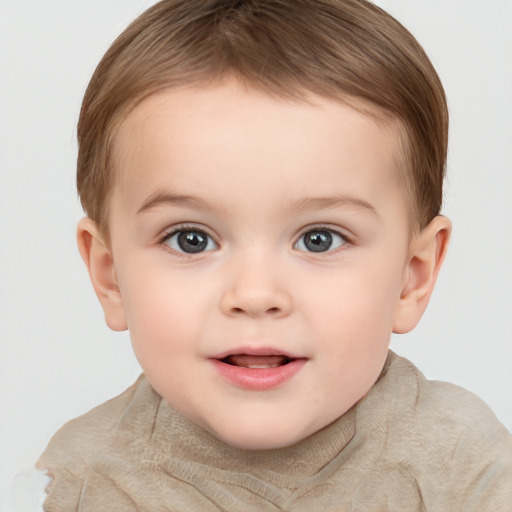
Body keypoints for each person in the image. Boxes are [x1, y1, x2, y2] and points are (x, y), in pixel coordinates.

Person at [17, 0, 512, 509]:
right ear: (110, 276)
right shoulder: (78, 483)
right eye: (191, 239)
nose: (255, 295)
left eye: (320, 238)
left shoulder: (462, 467)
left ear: (413, 277)